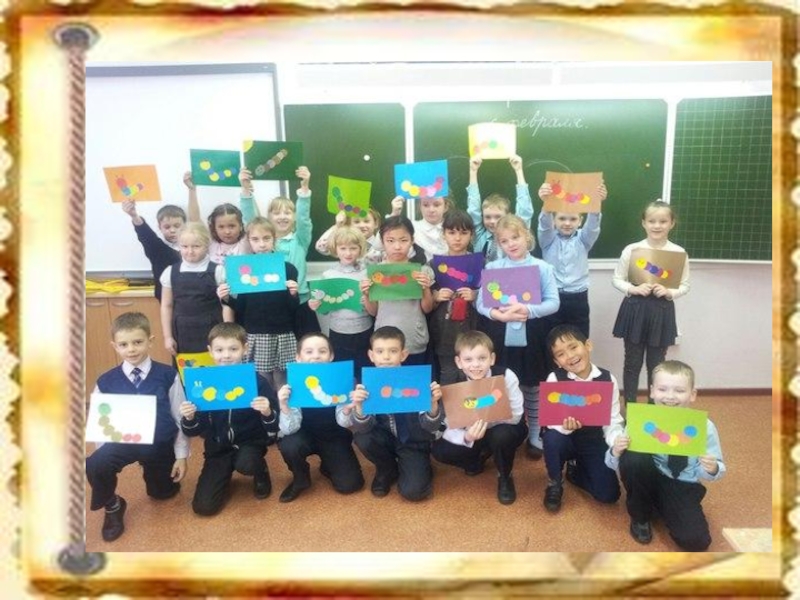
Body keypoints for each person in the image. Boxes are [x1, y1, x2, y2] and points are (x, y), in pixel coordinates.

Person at [85, 312, 189, 542]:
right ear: (114, 346)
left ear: (150, 341)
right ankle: (113, 505)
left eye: (138, 342)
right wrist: (104, 455)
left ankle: (154, 471)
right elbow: (101, 422)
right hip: (123, 443)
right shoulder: (105, 382)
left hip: (158, 444)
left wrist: (181, 456)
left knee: (163, 494)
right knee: (96, 463)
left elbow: (179, 415)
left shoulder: (168, 375)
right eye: (123, 344)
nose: (131, 349)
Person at [606, 360, 725, 550]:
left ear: (692, 394)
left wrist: (712, 467)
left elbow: (716, 469)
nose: (670, 396)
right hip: (648, 476)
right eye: (663, 389)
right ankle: (640, 516)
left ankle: (661, 505)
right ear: (652, 391)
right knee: (633, 457)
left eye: (679, 390)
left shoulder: (704, 427)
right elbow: (615, 464)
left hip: (682, 484)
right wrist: (616, 451)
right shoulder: (641, 420)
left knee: (696, 542)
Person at [475, 214, 559, 459]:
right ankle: (503, 432)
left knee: (532, 386)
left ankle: (534, 433)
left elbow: (554, 303)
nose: (511, 244)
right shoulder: (492, 268)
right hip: (501, 337)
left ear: (526, 236)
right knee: (502, 386)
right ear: (498, 244)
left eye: (515, 237)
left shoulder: (542, 267)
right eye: (504, 241)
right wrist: (497, 315)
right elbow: (480, 304)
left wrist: (528, 310)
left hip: (532, 337)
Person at [179, 322, 280, 515]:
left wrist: (267, 412)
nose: (226, 355)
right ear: (210, 351)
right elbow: (193, 430)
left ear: (245, 348)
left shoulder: (257, 381)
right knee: (203, 507)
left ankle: (261, 471)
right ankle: (223, 473)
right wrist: (189, 417)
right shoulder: (201, 383)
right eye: (219, 350)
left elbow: (275, 425)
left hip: (250, 444)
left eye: (233, 349)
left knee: (247, 463)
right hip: (218, 448)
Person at [336, 326, 444, 501]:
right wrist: (359, 407)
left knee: (414, 492)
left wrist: (432, 405)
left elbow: (432, 425)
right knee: (363, 438)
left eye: (393, 351)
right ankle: (386, 469)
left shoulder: (417, 380)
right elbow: (364, 428)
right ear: (371, 355)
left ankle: (420, 466)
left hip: (412, 442)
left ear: (403, 354)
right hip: (383, 439)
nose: (386, 357)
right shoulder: (366, 384)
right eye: (380, 351)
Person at [432, 331, 527, 505]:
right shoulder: (453, 384)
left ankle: (505, 475)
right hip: (472, 432)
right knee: (440, 451)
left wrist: (486, 421)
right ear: (458, 362)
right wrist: (467, 437)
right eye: (468, 359)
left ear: (492, 359)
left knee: (502, 436)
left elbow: (516, 416)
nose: (475, 365)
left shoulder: (506, 376)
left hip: (504, 426)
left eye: (482, 358)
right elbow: (449, 424)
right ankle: (476, 458)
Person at [612, 200, 690, 405]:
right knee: (632, 363)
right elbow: (617, 279)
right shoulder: (632, 249)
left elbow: (685, 285)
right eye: (652, 221)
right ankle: (630, 407)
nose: (657, 226)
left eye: (663, 221)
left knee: (656, 365)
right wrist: (633, 289)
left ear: (672, 223)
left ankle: (653, 407)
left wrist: (669, 292)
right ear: (644, 223)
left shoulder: (678, 252)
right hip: (635, 309)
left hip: (661, 311)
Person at [540, 324, 623, 513]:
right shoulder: (555, 378)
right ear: (557, 361)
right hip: (565, 438)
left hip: (593, 439)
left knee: (609, 495)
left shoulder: (607, 378)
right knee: (552, 439)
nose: (570, 356)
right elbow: (550, 419)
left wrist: (615, 442)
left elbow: (613, 419)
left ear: (588, 345)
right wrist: (565, 427)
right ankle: (555, 482)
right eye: (561, 354)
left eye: (573, 347)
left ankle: (575, 471)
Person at [275, 333, 365, 502]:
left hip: (334, 435)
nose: (316, 356)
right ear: (298, 357)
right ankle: (300, 478)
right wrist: (284, 405)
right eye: (309, 352)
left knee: (350, 485)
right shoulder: (292, 385)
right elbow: (288, 429)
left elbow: (345, 424)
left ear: (330, 356)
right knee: (289, 445)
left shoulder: (340, 380)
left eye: (322, 351)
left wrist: (347, 409)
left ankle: (327, 465)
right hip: (302, 434)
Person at [217, 217, 299, 391]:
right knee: (262, 379)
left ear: (274, 239)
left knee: (283, 380)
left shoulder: (288, 269)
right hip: (256, 332)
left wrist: (293, 294)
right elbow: (241, 308)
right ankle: (267, 407)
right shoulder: (243, 269)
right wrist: (226, 298)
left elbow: (293, 308)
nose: (261, 244)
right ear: (249, 241)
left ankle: (283, 408)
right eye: (255, 239)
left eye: (266, 238)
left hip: (282, 332)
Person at [360, 216, 435, 365]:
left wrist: (426, 288)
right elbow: (373, 312)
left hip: (414, 339)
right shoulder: (375, 273)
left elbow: (427, 309)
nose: (397, 246)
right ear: (382, 242)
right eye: (390, 241)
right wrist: (367, 294)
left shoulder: (422, 271)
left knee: (414, 378)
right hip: (384, 343)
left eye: (403, 240)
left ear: (412, 240)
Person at [536, 182, 607, 338]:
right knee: (550, 338)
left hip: (578, 299)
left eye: (573, 219)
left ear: (580, 221)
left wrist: (596, 203)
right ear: (554, 220)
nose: (567, 223)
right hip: (552, 296)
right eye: (562, 218)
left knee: (580, 338)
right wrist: (546, 203)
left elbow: (593, 227)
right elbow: (544, 225)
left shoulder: (584, 239)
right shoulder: (548, 240)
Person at [309, 225, 373, 380]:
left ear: (360, 248)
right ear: (335, 249)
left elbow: (375, 307)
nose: (348, 253)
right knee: (342, 375)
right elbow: (325, 309)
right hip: (338, 332)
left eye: (353, 248)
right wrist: (316, 305)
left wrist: (368, 298)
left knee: (365, 374)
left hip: (364, 330)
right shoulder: (329, 275)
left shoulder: (368, 272)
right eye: (343, 248)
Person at [160, 222, 231, 356]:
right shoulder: (170, 272)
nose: (190, 251)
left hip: (213, 330)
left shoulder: (218, 270)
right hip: (182, 333)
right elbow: (166, 306)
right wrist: (167, 337)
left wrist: (228, 334)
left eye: (196, 246)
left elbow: (226, 304)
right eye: (184, 246)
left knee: (215, 366)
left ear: (207, 245)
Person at [427, 209, 480, 384]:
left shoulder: (480, 263)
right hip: (444, 331)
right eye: (451, 232)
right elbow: (424, 301)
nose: (457, 238)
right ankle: (448, 403)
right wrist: (435, 296)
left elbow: (492, 295)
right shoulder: (433, 265)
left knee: (473, 373)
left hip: (472, 329)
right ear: (443, 234)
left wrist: (476, 295)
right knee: (448, 373)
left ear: (471, 235)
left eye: (463, 233)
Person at [467, 154, 533, 262]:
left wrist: (519, 170)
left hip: (514, 272)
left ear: (508, 216)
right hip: (484, 273)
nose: (492, 221)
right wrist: (473, 171)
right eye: (487, 217)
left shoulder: (517, 233)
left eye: (498, 217)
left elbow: (525, 210)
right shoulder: (479, 235)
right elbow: (473, 209)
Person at [120, 200, 183, 302]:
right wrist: (134, 216)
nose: (172, 230)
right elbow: (145, 234)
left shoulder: (191, 247)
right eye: (167, 227)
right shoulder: (156, 248)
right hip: (167, 299)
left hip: (189, 298)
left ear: (184, 226)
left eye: (177, 226)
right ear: (160, 228)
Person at [185, 171, 251, 265]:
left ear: (240, 226)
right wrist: (192, 190)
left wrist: (246, 189)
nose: (227, 231)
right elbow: (194, 220)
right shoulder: (212, 244)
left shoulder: (245, 243)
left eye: (232, 226)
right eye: (221, 227)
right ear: (214, 228)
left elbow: (249, 216)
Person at [390, 193, 449, 262]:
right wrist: (394, 214)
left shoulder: (454, 229)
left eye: (436, 205)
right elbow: (380, 245)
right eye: (425, 205)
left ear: (445, 207)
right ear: (420, 207)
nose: (431, 210)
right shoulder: (411, 227)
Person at [315, 207, 385, 265]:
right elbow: (321, 248)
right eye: (356, 222)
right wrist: (338, 226)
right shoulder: (344, 241)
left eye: (366, 221)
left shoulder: (383, 242)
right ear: (349, 224)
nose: (362, 225)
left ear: (376, 223)